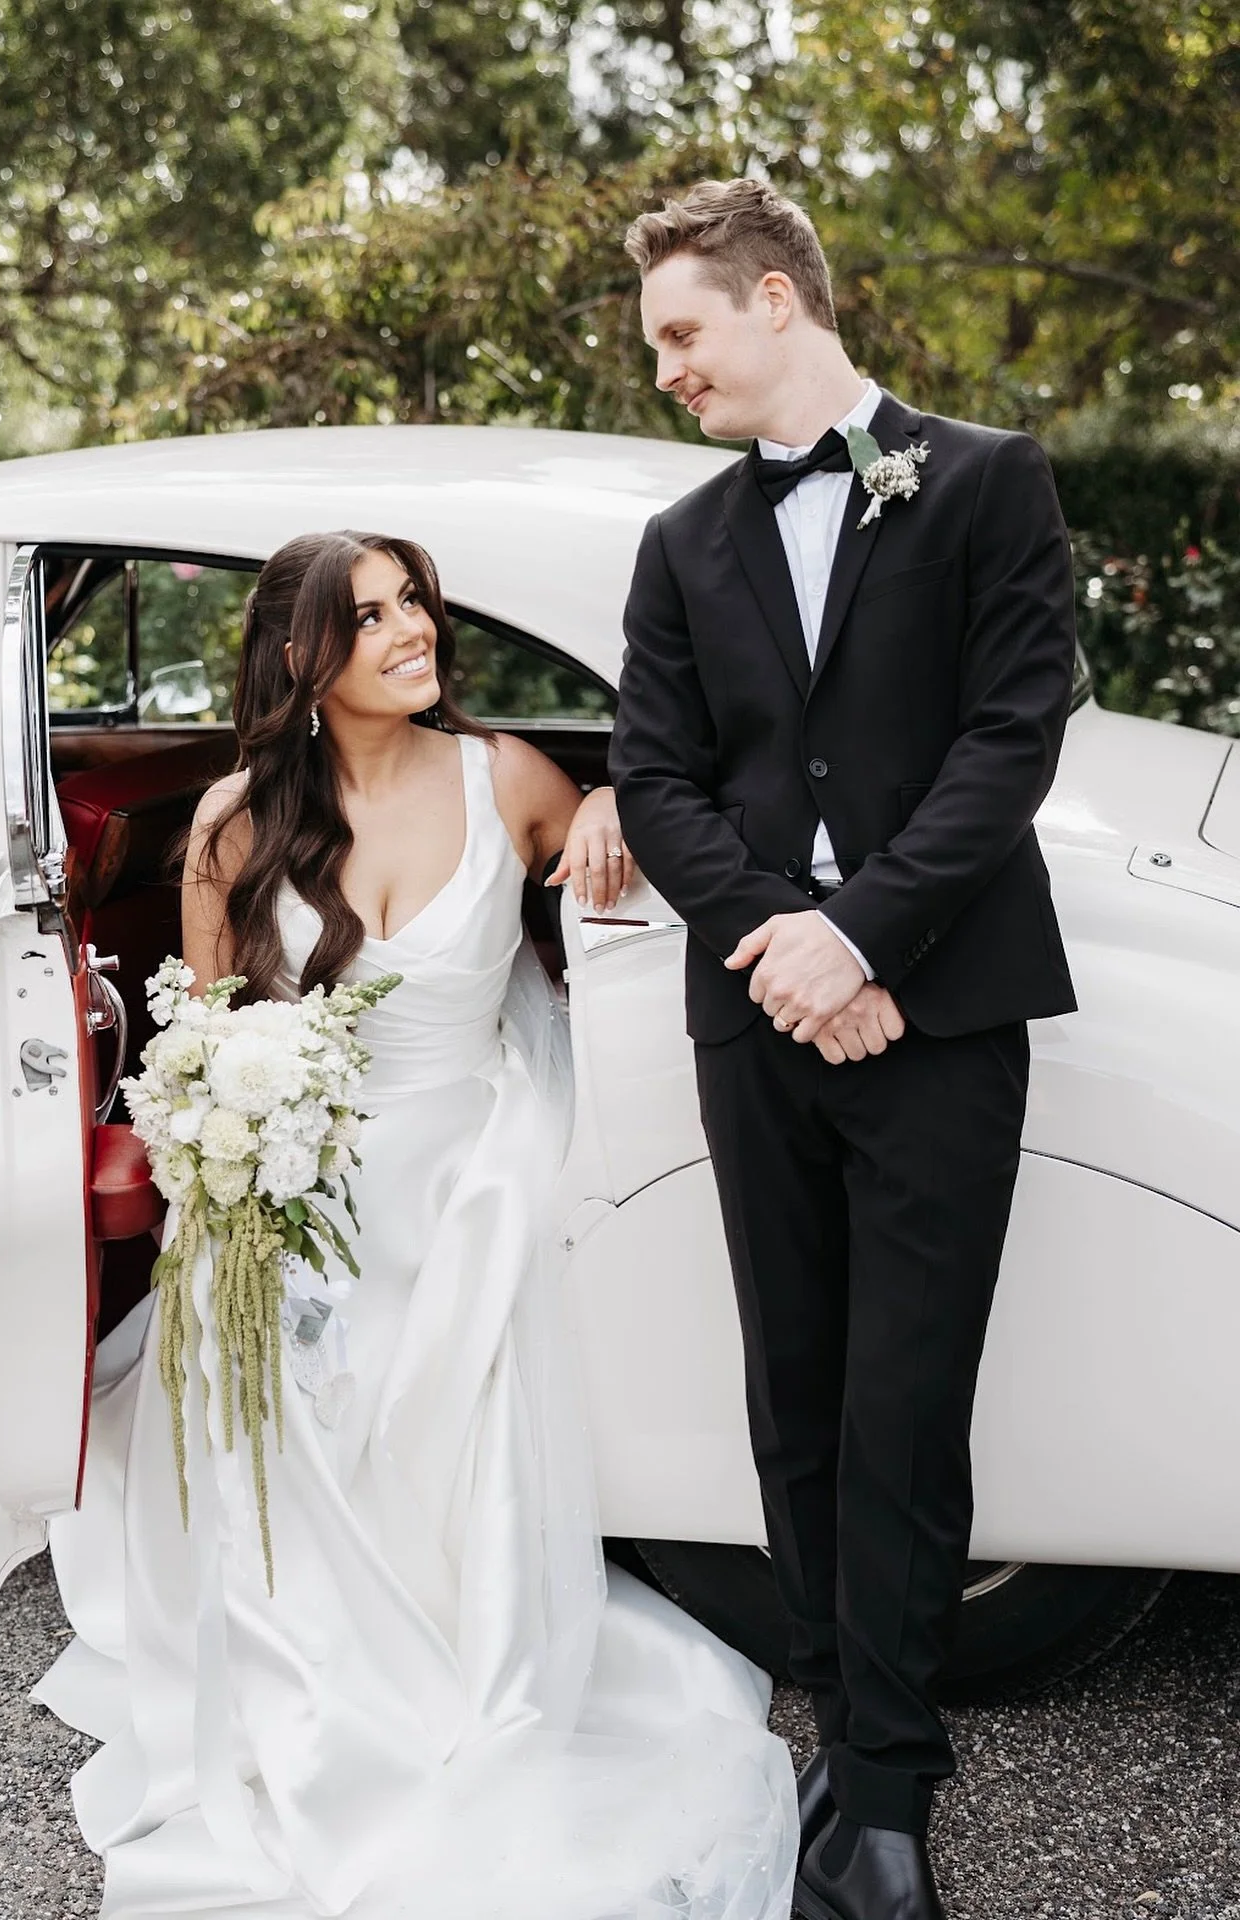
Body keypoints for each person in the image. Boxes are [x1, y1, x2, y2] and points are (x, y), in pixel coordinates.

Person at [32, 528, 799, 1920]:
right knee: (276, 1357)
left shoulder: (506, 777)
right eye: (371, 615)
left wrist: (611, 799)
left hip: (473, 1156)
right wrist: (235, 1168)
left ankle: (471, 1655)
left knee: (464, 1307)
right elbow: (207, 1039)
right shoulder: (234, 821)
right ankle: (322, 1677)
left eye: (415, 605)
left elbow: (659, 832)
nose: (411, 632)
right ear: (302, 657)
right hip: (302, 1173)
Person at [608, 180, 1077, 1920]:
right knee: (792, 1394)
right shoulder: (680, 542)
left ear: (777, 298)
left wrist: (863, 934)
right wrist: (787, 950)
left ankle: (887, 1792)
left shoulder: (988, 480)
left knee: (906, 1405)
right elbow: (655, 776)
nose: (667, 368)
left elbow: (1012, 738)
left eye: (683, 331)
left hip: (940, 1012)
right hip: (760, 1018)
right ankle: (828, 1723)